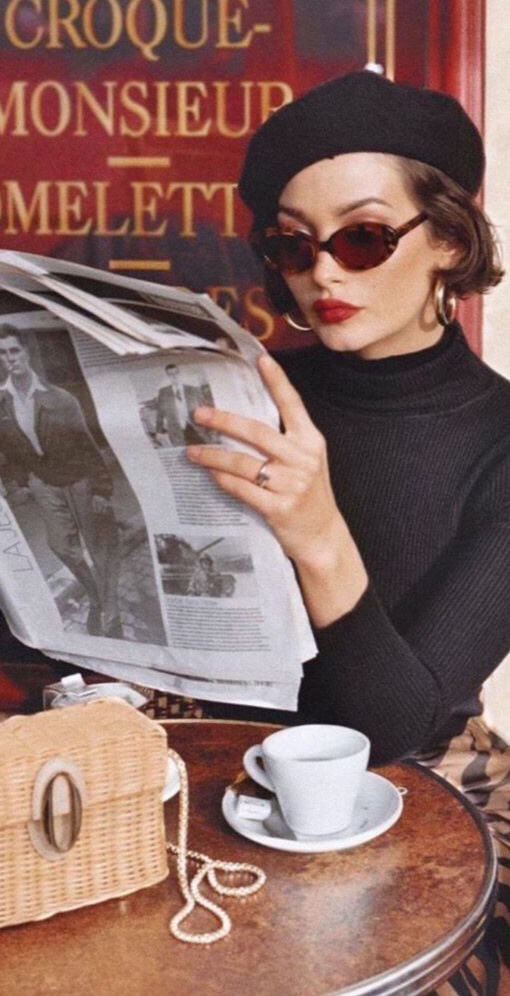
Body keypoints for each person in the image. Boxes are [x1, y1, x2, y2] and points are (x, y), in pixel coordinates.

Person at [185, 72, 510, 992]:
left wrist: (319, 536)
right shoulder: (241, 394)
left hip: (429, 793)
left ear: (447, 239)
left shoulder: (501, 441)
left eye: (362, 237)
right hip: (221, 775)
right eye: (293, 244)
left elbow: (391, 728)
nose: (323, 270)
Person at [0, 324, 122, 638]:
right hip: (43, 482)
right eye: (2, 353)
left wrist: (100, 488)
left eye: (14, 350)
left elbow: (87, 444)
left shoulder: (59, 397)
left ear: (26, 352)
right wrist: (19, 482)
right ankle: (97, 597)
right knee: (61, 546)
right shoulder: (2, 403)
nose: (9, 358)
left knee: (99, 548)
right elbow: (8, 450)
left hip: (79, 478)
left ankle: (111, 613)